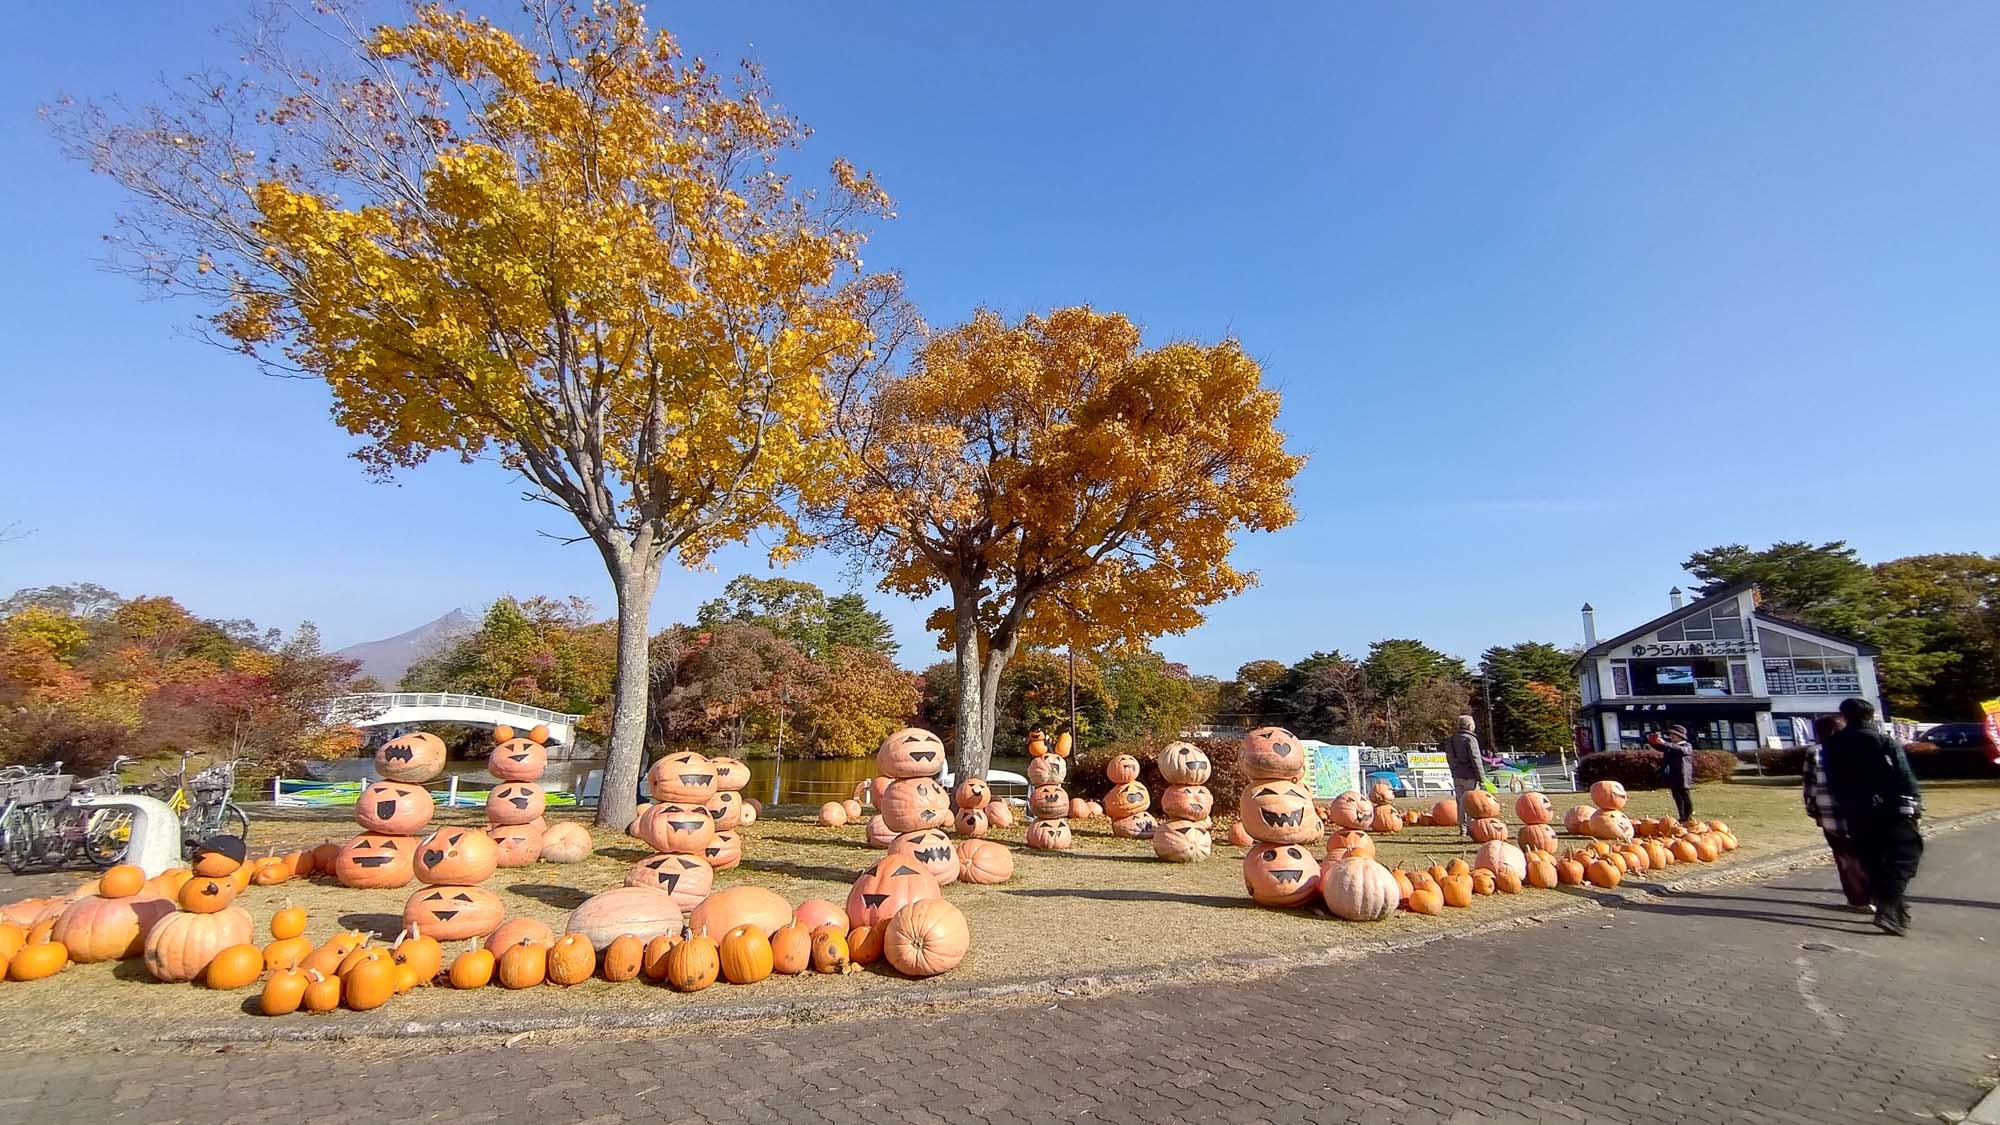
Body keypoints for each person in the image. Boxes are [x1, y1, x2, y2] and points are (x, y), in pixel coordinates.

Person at [1822, 697, 1923, 936]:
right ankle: (1889, 906)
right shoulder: (1882, 740)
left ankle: (1893, 908)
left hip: (1855, 808)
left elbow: (1833, 779)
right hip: (1890, 806)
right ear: (1871, 716)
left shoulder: (1833, 744)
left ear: (1845, 717)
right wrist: (1914, 800)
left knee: (1872, 859)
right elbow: (1903, 773)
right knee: (1906, 856)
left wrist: (1845, 802)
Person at [1802, 713, 1870, 912]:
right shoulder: (1861, 748)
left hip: (1832, 815)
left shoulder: (1816, 752)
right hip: (1866, 813)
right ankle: (1880, 897)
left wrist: (1813, 811)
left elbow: (1810, 786)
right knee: (1869, 854)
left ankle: (1859, 901)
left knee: (1846, 858)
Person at [1443, 715, 1485, 838]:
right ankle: (1473, 828)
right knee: (1473, 803)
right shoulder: (1470, 740)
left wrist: (1454, 771)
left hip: (1457, 775)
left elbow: (1449, 757)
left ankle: (1463, 828)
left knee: (1460, 803)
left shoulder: (1452, 739)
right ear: (1469, 725)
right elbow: (1476, 759)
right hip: (1470, 776)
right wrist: (1481, 777)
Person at [1647, 725, 1696, 821]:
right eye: (1671, 734)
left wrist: (1665, 743)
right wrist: (1652, 740)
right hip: (1673, 775)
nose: (1672, 736)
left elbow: (1680, 750)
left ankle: (1688, 815)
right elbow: (1660, 747)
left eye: (1674, 735)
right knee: (1676, 796)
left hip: (1683, 775)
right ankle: (1682, 815)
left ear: (1681, 736)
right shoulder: (1670, 746)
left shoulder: (1686, 746)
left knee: (1684, 795)